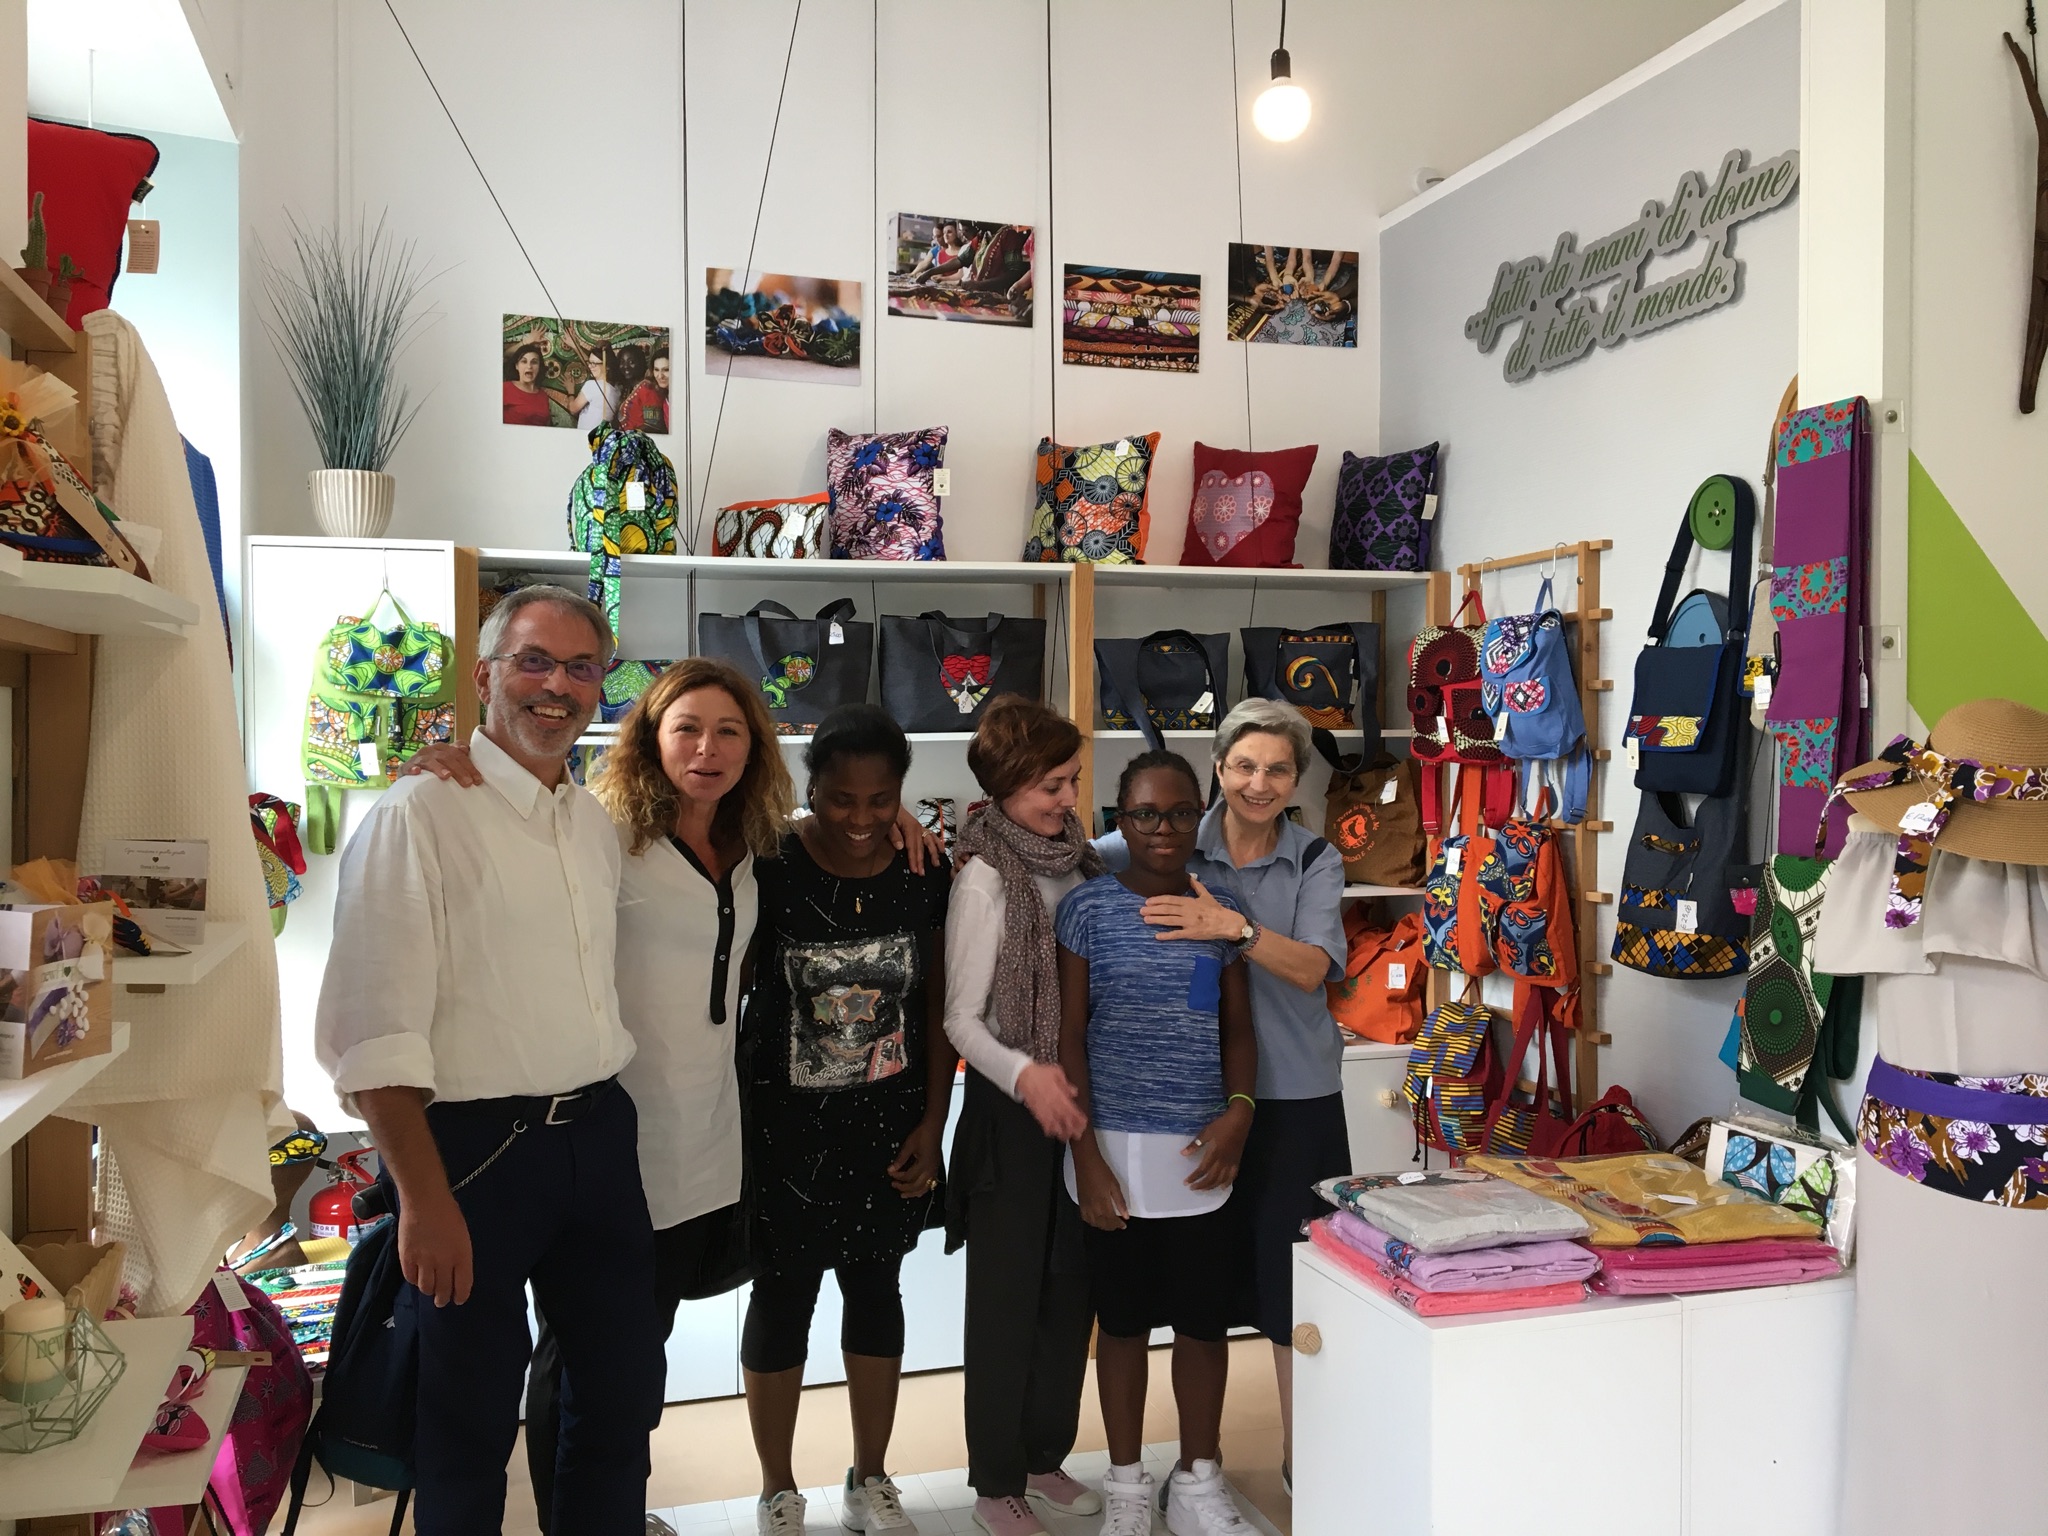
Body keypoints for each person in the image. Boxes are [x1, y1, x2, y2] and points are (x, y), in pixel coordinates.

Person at [398, 660, 940, 1536]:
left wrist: (895, 816)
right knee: (579, 1356)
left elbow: (842, 830)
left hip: (709, 1139)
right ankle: (577, 1518)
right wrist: (458, 764)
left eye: (729, 732)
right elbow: (523, 825)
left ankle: (610, 1511)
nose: (707, 748)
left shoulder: (756, 847)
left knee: (627, 1368)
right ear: (650, 737)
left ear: (754, 749)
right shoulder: (600, 832)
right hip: (603, 1138)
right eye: (687, 727)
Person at [313, 585, 664, 1535]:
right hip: (473, 1155)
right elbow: (372, 1031)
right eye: (533, 661)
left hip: (597, 1133)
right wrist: (423, 1201)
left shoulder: (586, 821)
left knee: (621, 1396)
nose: (558, 686)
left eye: (581, 668)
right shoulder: (417, 815)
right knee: (464, 1419)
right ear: (483, 675)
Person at [1096, 699, 1351, 1490]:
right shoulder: (1166, 834)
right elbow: (1070, 861)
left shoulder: (1315, 860)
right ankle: (1189, 1468)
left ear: (1296, 779)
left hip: (1295, 1096)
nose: (1258, 783)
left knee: (1293, 1288)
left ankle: (1305, 1463)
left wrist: (1232, 928)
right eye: (1244, 766)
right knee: (1187, 1292)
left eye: (1278, 769)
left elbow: (1314, 969)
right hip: (1187, 1100)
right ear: (1218, 768)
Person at [743, 703, 953, 1535]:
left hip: (889, 1127)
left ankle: (871, 1478)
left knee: (876, 1292)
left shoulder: (924, 869)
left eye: (881, 800)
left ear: (902, 795)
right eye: (841, 799)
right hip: (782, 1132)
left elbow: (936, 1004)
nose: (861, 818)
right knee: (781, 1298)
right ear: (811, 790)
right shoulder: (769, 864)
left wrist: (934, 1122)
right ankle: (777, 1490)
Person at [1058, 750, 1257, 1536]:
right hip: (1112, 1153)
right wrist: (1085, 1157)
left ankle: (1199, 1479)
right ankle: (1127, 1484)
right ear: (1120, 819)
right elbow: (1069, 1039)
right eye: (1145, 813)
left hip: (1203, 1153)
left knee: (1204, 1325)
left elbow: (1237, 1029)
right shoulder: (1088, 910)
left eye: (1178, 813)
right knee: (1123, 1325)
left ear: (1199, 815)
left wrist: (1240, 1112)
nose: (1163, 828)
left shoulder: (1221, 906)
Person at [941, 697, 1104, 1536]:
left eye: (1072, 780)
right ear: (1006, 786)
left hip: (1080, 1106)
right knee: (1006, 1303)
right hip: (1011, 1115)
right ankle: (994, 1481)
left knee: (1067, 1294)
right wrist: (1025, 1075)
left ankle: (1043, 1456)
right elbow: (960, 1020)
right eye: (1051, 785)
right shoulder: (984, 878)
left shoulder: (1082, 860)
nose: (1068, 798)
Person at [503, 341, 579, 427]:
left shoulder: (543, 395)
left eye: (534, 362)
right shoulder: (505, 388)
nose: (529, 366)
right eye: (524, 361)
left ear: (539, 367)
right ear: (516, 366)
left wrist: (571, 392)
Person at [621, 347, 670, 432]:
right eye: (656, 370)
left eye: (666, 370)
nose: (660, 376)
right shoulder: (628, 387)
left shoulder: (649, 389)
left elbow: (653, 427)